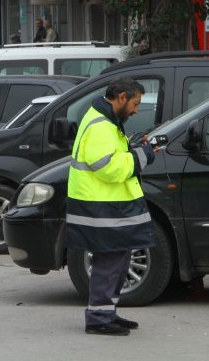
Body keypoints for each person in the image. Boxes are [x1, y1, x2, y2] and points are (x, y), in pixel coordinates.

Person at [66, 77, 157, 336]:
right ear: (121, 98)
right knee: (110, 262)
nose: (137, 109)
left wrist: (134, 148)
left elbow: (112, 159)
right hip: (100, 207)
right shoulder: (101, 125)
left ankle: (107, 313)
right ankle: (98, 318)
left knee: (118, 260)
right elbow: (108, 168)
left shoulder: (107, 121)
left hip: (106, 205)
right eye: (135, 103)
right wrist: (143, 156)